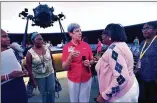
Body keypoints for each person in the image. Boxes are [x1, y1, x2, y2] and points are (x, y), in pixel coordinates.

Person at [95, 23, 139, 103]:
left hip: (120, 95)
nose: (102, 36)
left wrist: (105, 95)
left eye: (104, 33)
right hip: (129, 89)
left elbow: (121, 78)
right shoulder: (122, 45)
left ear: (110, 35)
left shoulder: (113, 49)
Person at [62, 23, 95, 102]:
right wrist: (70, 57)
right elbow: (64, 67)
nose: (80, 33)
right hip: (73, 79)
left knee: (84, 100)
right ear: (70, 34)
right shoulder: (66, 47)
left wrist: (89, 62)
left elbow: (92, 59)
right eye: (77, 31)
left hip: (86, 78)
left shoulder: (86, 45)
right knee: (74, 101)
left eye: (80, 31)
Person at [26, 32, 56, 103]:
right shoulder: (29, 53)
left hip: (50, 73)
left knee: (51, 90)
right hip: (39, 76)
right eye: (38, 39)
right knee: (44, 93)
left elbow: (52, 60)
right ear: (33, 41)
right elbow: (29, 68)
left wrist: (54, 71)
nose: (40, 41)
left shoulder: (47, 48)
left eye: (41, 39)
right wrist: (33, 80)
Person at [1, 29, 28, 103]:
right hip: (5, 89)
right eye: (4, 36)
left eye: (8, 36)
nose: (8, 39)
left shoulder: (11, 50)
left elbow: (18, 63)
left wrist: (23, 70)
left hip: (20, 85)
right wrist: (9, 76)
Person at [137, 21, 157, 102]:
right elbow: (140, 57)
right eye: (143, 29)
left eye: (147, 28)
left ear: (155, 30)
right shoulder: (143, 43)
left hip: (154, 80)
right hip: (142, 78)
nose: (145, 30)